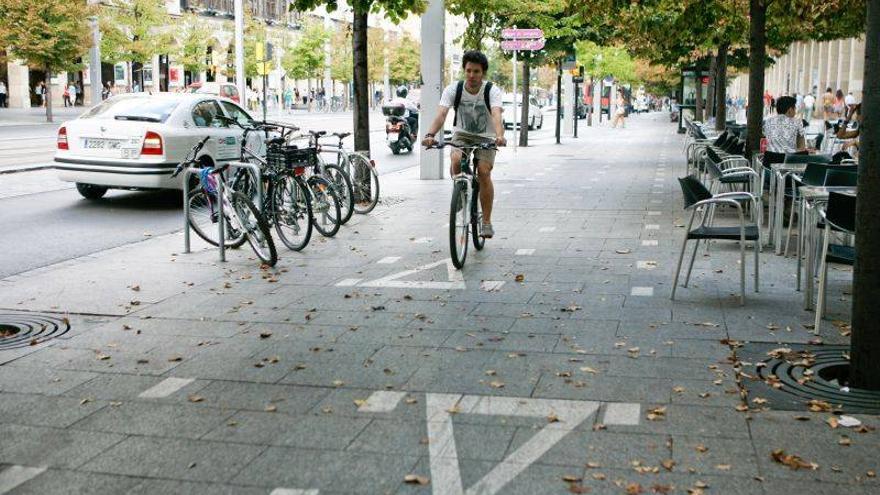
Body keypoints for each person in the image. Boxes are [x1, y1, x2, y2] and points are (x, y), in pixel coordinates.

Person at [421, 50, 506, 238]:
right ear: (464, 70)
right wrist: (430, 134)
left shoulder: (492, 90)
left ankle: (486, 222)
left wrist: (499, 135)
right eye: (468, 71)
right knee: (456, 159)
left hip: (486, 136)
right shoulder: (454, 89)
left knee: (484, 171)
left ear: (483, 72)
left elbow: (496, 114)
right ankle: (460, 190)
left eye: (476, 71)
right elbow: (442, 114)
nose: (472, 75)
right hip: (462, 135)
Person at [762, 95, 808, 166]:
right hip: (789, 167)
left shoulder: (768, 122)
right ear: (790, 110)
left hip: (769, 166)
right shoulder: (797, 122)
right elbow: (802, 147)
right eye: (794, 108)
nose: (795, 111)